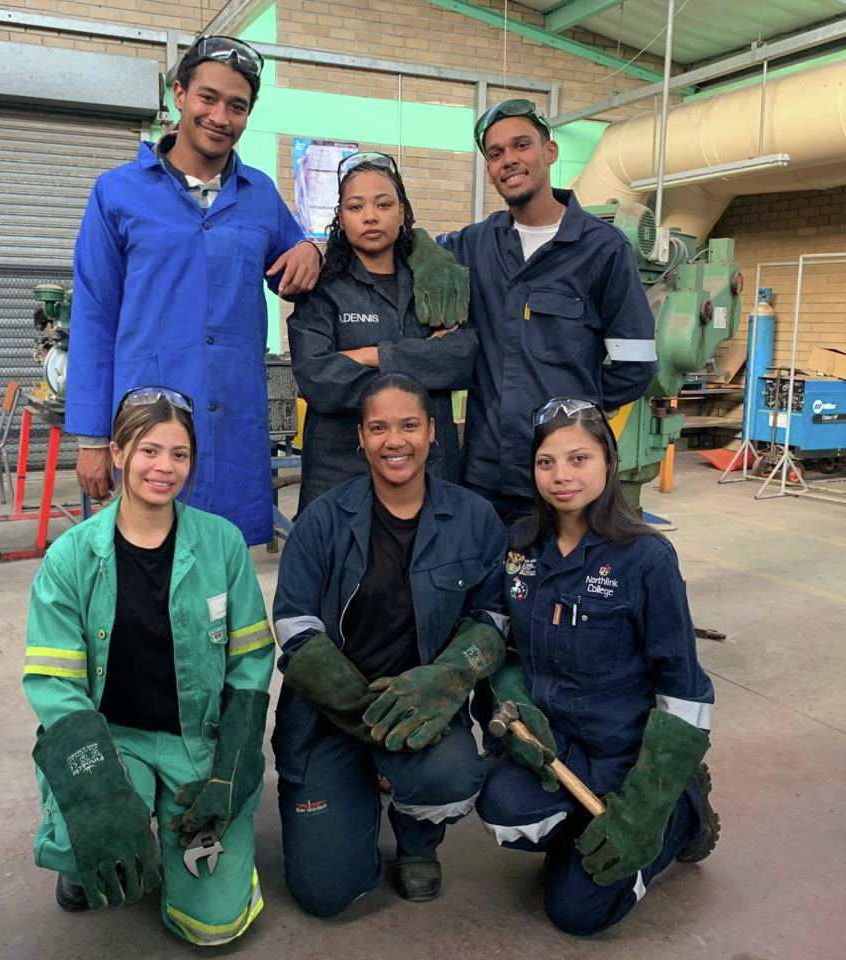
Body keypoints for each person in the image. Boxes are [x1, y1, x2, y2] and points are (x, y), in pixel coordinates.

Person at [23, 386, 275, 946]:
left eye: (179, 454)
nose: (165, 467)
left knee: (212, 927)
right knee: (86, 839)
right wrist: (98, 791)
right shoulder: (71, 557)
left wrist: (232, 765)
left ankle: (203, 871)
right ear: (117, 453)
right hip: (113, 738)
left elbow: (252, 662)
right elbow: (54, 681)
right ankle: (82, 856)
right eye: (149, 450)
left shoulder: (223, 544)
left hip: (195, 739)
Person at [475, 397, 719, 936]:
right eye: (546, 462)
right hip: (556, 750)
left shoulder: (646, 559)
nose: (562, 475)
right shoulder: (519, 547)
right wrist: (512, 694)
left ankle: (681, 814)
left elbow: (685, 693)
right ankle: (582, 834)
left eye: (579, 459)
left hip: (624, 758)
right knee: (500, 807)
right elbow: (498, 645)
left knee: (576, 914)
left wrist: (644, 809)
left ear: (608, 461)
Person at [65, 34, 321, 546]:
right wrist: (92, 438)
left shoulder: (259, 195)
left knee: (223, 564)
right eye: (208, 97)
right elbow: (94, 318)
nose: (220, 117)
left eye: (237, 106)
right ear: (179, 94)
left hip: (232, 424)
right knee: (147, 561)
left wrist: (314, 248)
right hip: (148, 427)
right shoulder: (117, 193)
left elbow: (296, 274)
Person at [271, 374, 508, 914]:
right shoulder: (322, 520)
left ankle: (417, 840)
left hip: (423, 711)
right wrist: (365, 711)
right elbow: (294, 626)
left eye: (409, 425)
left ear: (432, 432)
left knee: (451, 775)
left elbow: (492, 617)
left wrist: (447, 678)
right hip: (332, 716)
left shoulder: (474, 518)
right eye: (378, 428)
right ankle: (355, 790)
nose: (394, 441)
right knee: (326, 893)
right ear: (361, 437)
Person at [429, 99, 657, 520]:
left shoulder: (603, 250)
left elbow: (637, 364)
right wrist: (312, 252)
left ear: (549, 151)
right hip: (485, 476)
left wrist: (577, 413)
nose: (509, 160)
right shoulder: (474, 245)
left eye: (521, 145)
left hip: (565, 483)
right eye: (495, 153)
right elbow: (400, 248)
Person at [287, 152, 475, 512]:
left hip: (429, 471)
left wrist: (373, 356)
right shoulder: (322, 289)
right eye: (355, 207)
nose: (370, 216)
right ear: (341, 218)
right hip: (341, 474)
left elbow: (461, 357)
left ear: (402, 213)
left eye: (384, 204)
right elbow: (318, 378)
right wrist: (423, 363)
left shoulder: (434, 282)